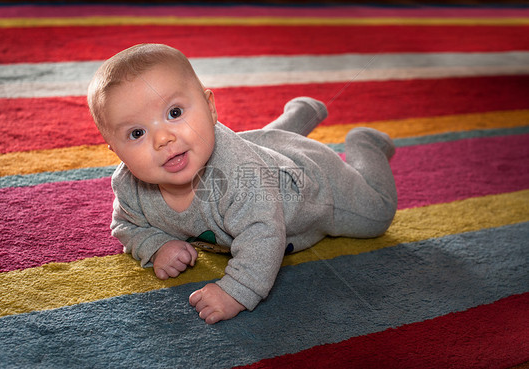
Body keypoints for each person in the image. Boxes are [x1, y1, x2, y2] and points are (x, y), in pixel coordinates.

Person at [87, 43, 397, 324]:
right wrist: (157, 246)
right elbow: (125, 225)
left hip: (309, 181)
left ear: (210, 109)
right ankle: (298, 117)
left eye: (174, 112)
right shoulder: (131, 186)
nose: (163, 138)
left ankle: (365, 143)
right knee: (256, 142)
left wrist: (235, 291)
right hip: (259, 147)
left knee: (377, 214)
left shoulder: (239, 176)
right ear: (117, 152)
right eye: (137, 133)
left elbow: (263, 234)